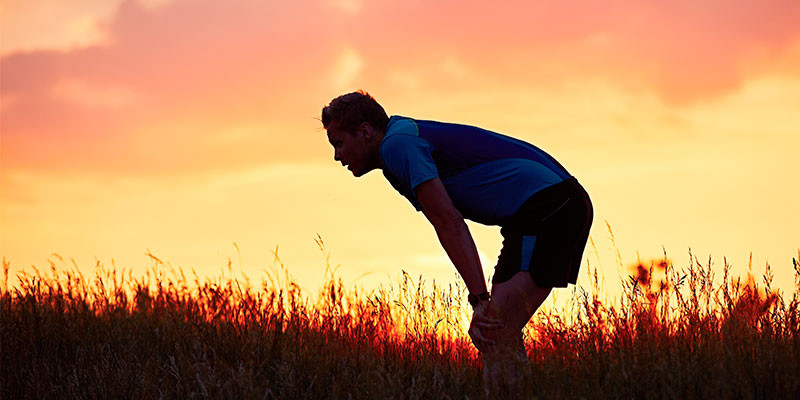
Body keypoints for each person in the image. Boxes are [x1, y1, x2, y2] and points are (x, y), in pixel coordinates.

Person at [321, 90, 593, 397]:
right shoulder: (397, 145)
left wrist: (479, 298)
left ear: (365, 131)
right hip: (533, 214)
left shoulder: (398, 145)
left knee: (494, 330)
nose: (337, 156)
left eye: (338, 143)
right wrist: (480, 299)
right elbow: (447, 221)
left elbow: (449, 222)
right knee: (496, 332)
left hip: (552, 206)